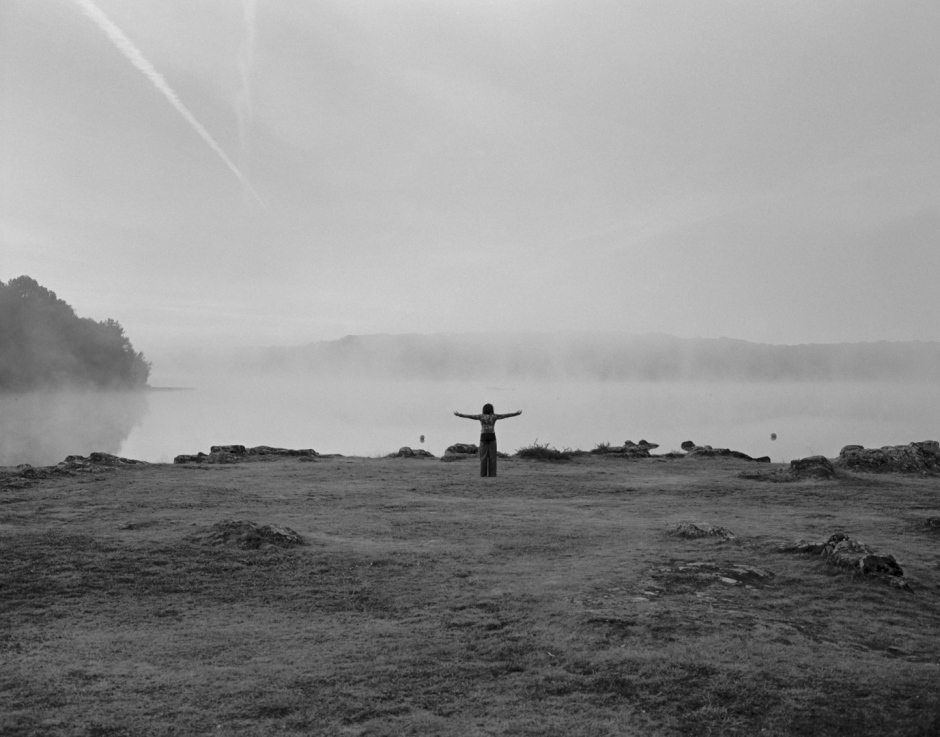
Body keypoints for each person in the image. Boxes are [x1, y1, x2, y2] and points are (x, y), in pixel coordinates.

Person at [454, 403, 522, 477]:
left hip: (483, 437)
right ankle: (492, 474)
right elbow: (505, 415)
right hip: (492, 436)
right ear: (491, 409)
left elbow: (470, 416)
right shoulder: (494, 416)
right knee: (492, 456)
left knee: (483, 457)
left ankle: (483, 474)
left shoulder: (481, 416)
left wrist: (459, 414)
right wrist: (516, 413)